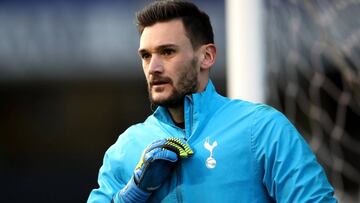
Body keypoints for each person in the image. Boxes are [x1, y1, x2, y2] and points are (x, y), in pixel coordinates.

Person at [87, 0, 337, 202]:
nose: (153, 67)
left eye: (167, 52)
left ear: (206, 56)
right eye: (145, 55)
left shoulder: (262, 129)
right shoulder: (126, 148)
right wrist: (133, 194)